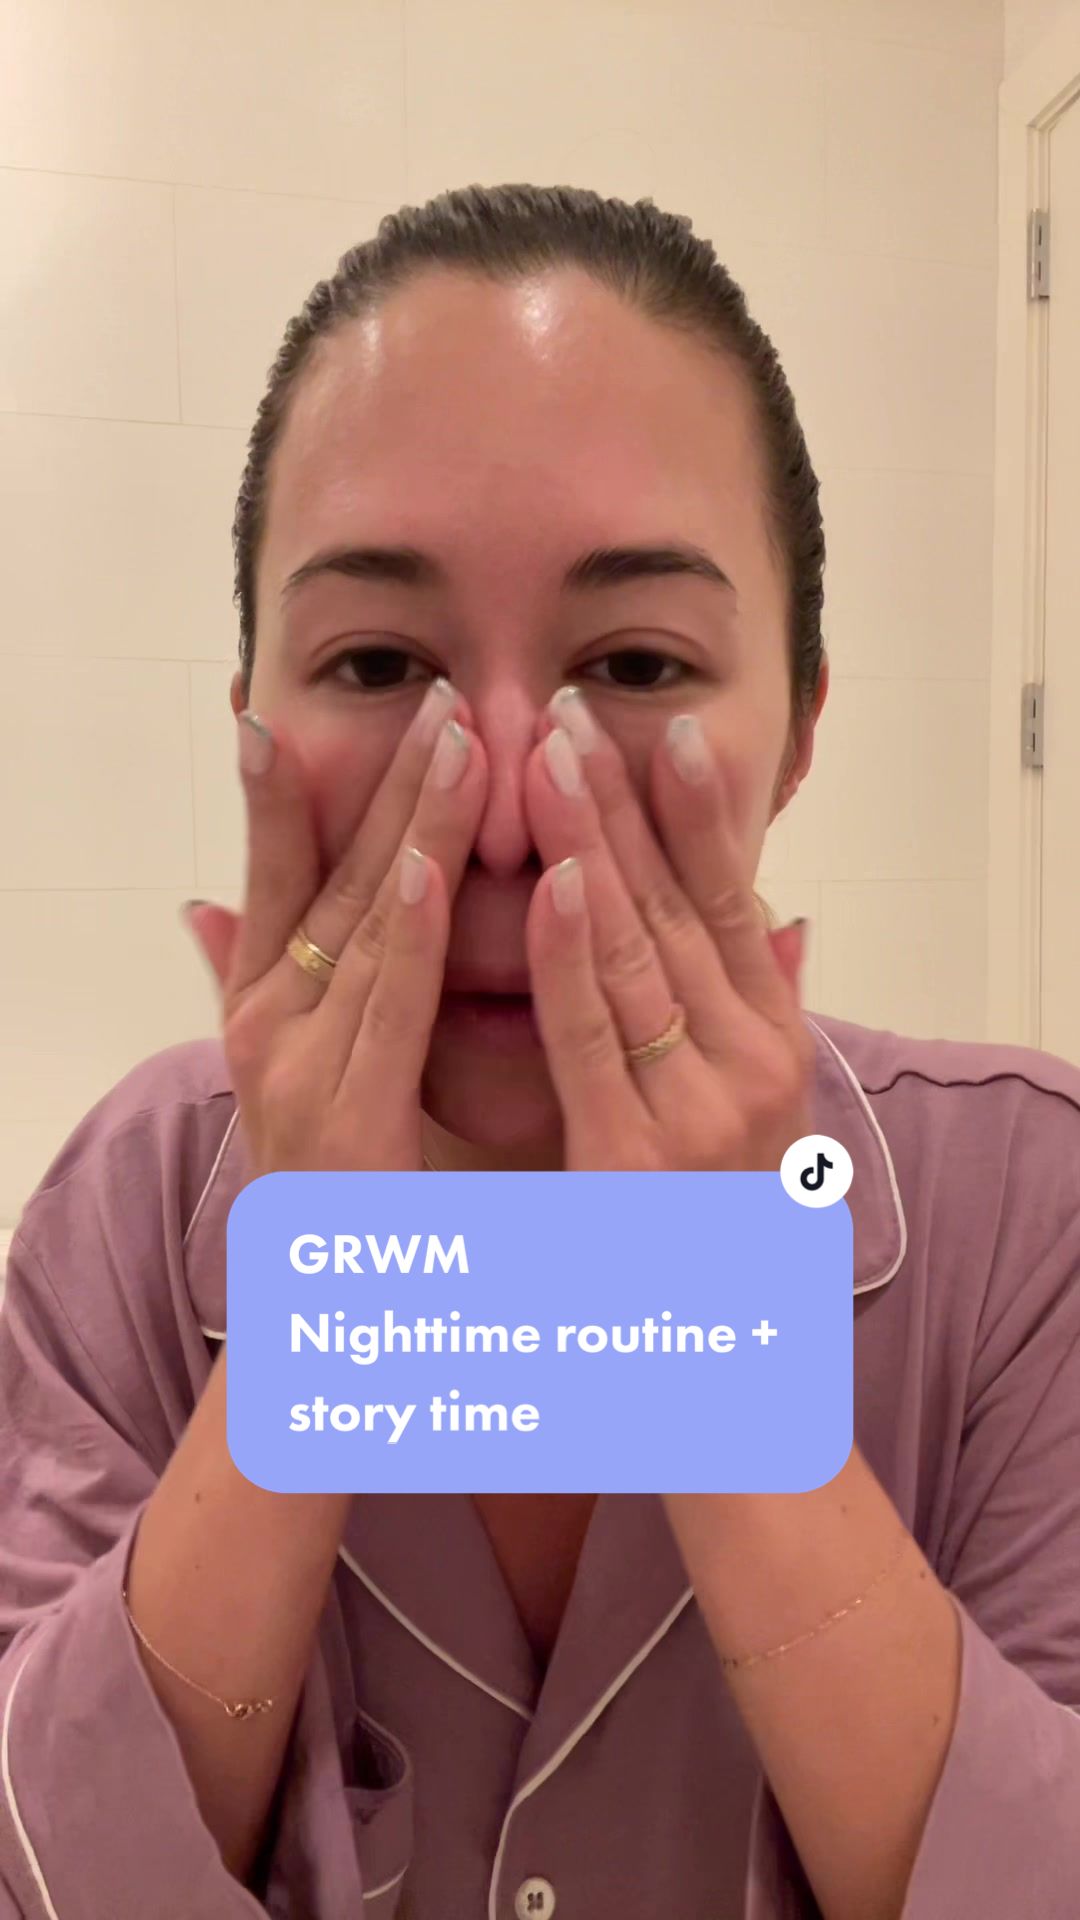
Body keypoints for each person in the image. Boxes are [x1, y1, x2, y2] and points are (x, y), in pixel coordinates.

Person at [0, 183, 1077, 1920]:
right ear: (250, 716)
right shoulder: (131, 1210)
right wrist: (324, 1314)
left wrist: (710, 1337)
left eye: (636, 663)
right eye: (376, 662)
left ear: (800, 725)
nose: (502, 814)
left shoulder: (1031, 1215)